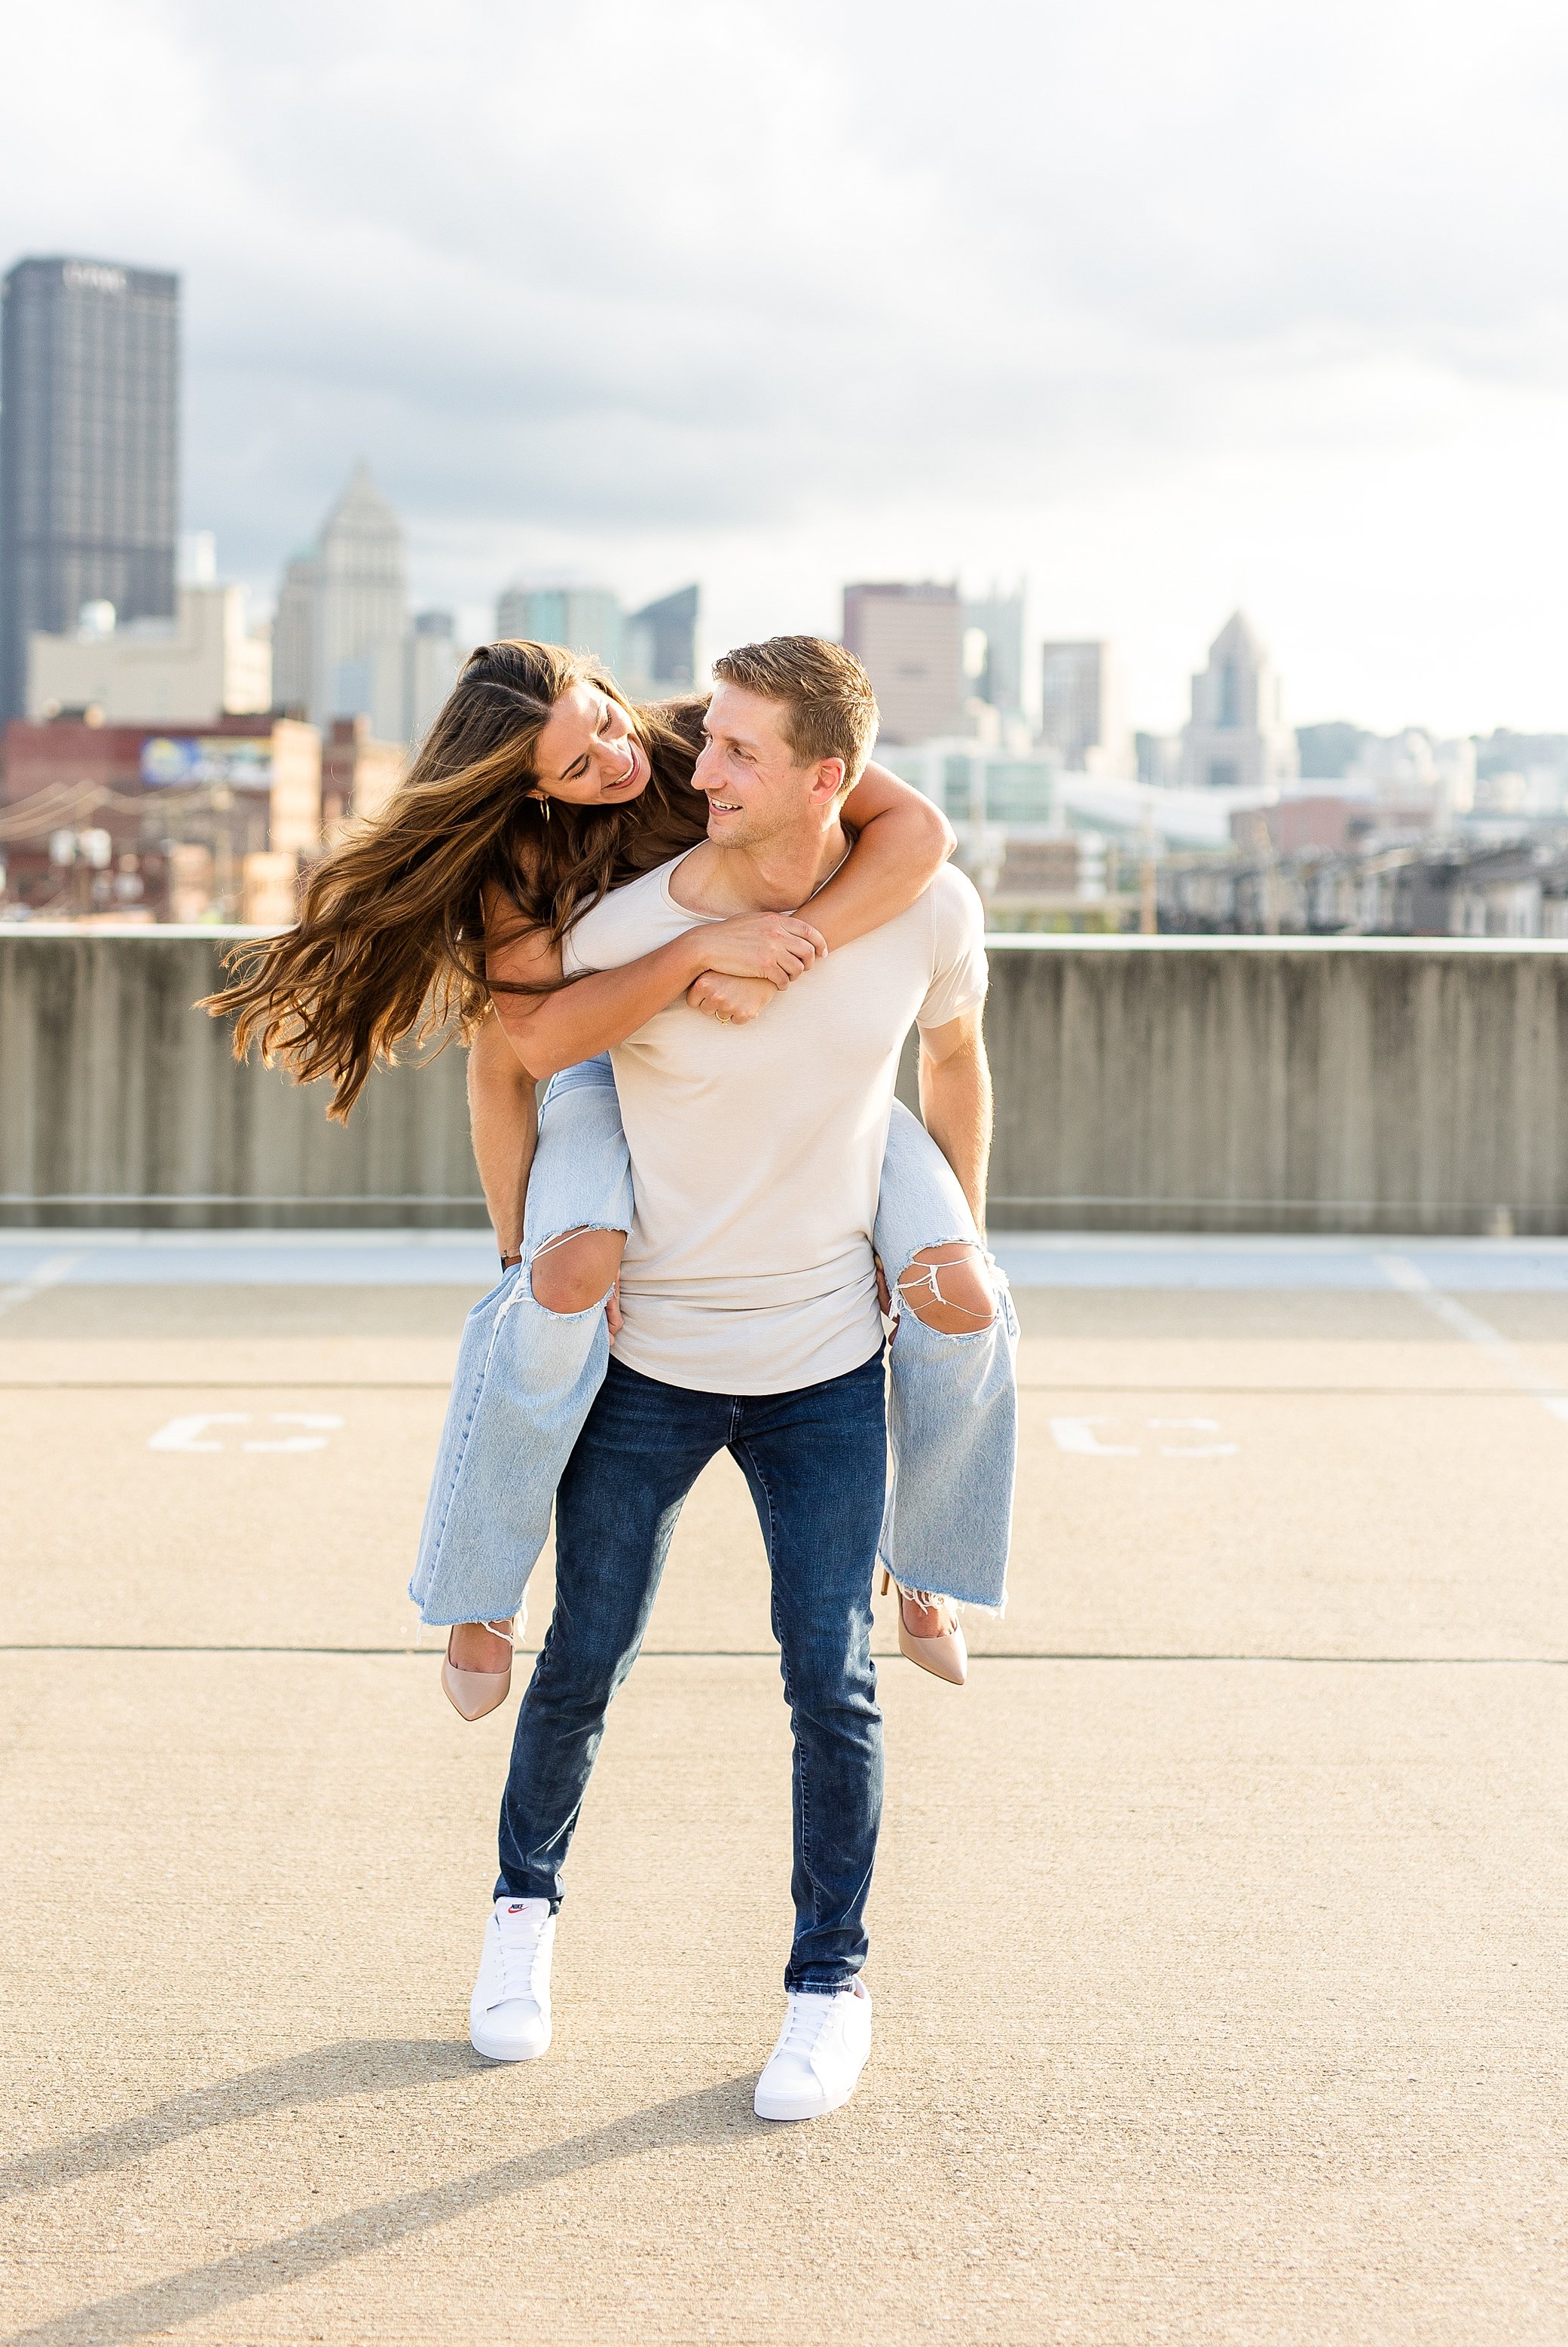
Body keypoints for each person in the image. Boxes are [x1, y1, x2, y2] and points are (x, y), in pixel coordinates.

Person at [211, 643, 1019, 1724]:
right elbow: (523, 1051)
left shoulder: (706, 737)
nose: (613, 758)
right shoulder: (522, 862)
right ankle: (479, 1590)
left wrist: (797, 944)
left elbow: (920, 833)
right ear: (531, 791)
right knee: (563, 1283)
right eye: (574, 766)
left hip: (807, 1061)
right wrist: (520, 1247)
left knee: (966, 1291)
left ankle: (924, 1559)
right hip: (610, 1060)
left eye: (599, 719)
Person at [463, 636, 1001, 2122]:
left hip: (825, 1364)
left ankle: (827, 1986)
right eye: (705, 746)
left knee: (827, 1686)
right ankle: (520, 1917)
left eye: (737, 754)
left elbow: (952, 1056)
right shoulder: (618, 931)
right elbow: (515, 1056)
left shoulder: (921, 907)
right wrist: (519, 1250)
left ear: (823, 777)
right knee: (583, 1662)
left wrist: (946, 1209)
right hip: (650, 1361)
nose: (696, 770)